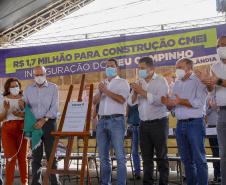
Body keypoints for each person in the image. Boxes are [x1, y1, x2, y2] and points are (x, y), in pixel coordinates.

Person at [161, 57, 208, 185]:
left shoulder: (199, 81)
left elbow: (199, 102)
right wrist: (168, 104)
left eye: (180, 68)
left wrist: (179, 101)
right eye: (176, 68)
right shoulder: (177, 83)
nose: (177, 71)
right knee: (186, 160)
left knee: (199, 159)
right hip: (180, 124)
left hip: (195, 123)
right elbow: (172, 105)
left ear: (188, 68)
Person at [128, 56, 169, 185]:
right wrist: (135, 93)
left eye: (142, 68)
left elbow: (160, 100)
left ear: (151, 68)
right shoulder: (139, 82)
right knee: (146, 158)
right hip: (143, 124)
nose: (140, 71)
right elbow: (131, 102)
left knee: (161, 157)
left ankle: (163, 182)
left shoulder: (161, 81)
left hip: (159, 123)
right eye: (139, 68)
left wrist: (142, 91)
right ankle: (147, 182)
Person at [18, 65, 61, 185]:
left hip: (49, 123)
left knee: (51, 155)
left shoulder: (53, 87)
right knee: (36, 157)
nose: (39, 77)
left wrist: (44, 119)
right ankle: (36, 183)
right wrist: (21, 106)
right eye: (36, 75)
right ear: (33, 75)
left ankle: (55, 182)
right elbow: (24, 108)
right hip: (34, 125)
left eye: (41, 74)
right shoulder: (29, 89)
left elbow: (55, 107)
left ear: (45, 74)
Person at [194, 36, 226, 185]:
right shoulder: (215, 67)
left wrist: (217, 80)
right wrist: (207, 82)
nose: (221, 48)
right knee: (223, 154)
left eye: (224, 45)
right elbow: (212, 92)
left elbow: (218, 83)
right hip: (222, 113)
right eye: (219, 46)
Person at [93, 58, 130, 185]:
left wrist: (107, 92)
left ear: (117, 68)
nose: (109, 68)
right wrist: (100, 92)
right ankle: (105, 183)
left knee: (120, 157)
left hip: (116, 120)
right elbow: (94, 101)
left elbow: (121, 100)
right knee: (103, 157)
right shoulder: (102, 83)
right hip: (102, 121)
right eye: (107, 66)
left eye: (112, 66)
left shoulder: (123, 83)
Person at [0, 78, 28, 185]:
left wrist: (21, 112)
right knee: (10, 158)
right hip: (8, 129)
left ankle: (24, 182)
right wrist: (6, 110)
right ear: (8, 88)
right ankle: (9, 183)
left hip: (22, 128)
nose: (15, 88)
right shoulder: (2, 100)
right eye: (12, 87)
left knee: (22, 158)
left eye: (17, 86)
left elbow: (30, 115)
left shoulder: (24, 98)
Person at [205, 96, 221, 182]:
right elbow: (205, 112)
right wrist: (210, 107)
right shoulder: (208, 99)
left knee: (223, 152)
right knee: (215, 152)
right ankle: (217, 175)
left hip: (222, 127)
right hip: (211, 128)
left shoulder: (223, 97)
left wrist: (220, 108)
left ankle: (223, 175)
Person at [126, 102, 141, 180]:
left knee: (146, 151)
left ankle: (148, 173)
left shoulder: (142, 96)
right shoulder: (129, 99)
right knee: (134, 151)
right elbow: (126, 113)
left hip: (143, 124)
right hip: (132, 125)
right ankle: (137, 172)